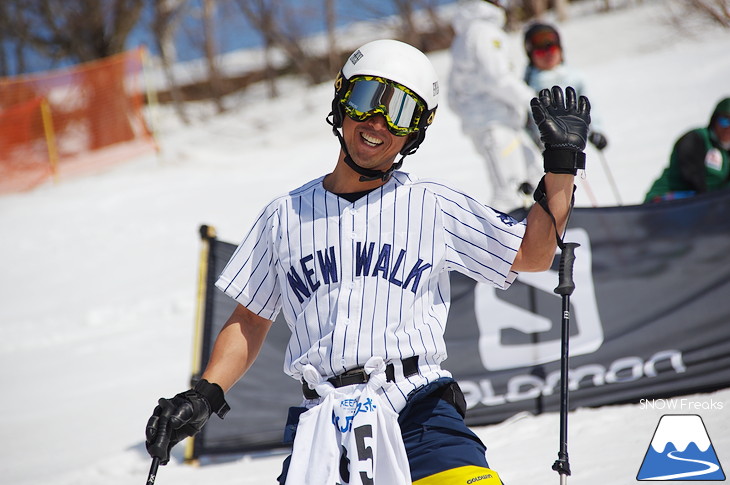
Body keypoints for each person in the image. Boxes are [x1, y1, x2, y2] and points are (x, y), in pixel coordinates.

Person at [145, 39, 591, 485]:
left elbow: (532, 255)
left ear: (414, 132)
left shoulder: (431, 204)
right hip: (322, 427)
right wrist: (205, 394)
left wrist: (561, 168)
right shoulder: (283, 216)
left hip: (419, 413)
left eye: (400, 111)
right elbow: (250, 321)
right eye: (365, 99)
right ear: (341, 101)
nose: (377, 121)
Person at [448, 0, 544, 212]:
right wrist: (536, 103)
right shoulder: (484, 32)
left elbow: (452, 96)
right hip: (496, 124)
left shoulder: (463, 37)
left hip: (495, 123)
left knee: (534, 177)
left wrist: (472, 114)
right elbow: (496, 78)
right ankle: (499, 241)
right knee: (510, 191)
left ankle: (540, 234)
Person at [523, 22, 609, 152]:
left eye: (552, 49)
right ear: (531, 56)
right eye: (540, 51)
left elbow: (589, 106)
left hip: (574, 150)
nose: (548, 55)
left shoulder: (574, 78)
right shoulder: (524, 86)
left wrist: (596, 130)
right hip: (541, 154)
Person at [645, 97, 730, 202]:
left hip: (705, 207)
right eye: (725, 120)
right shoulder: (696, 138)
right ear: (714, 119)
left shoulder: (726, 153)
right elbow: (692, 175)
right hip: (668, 203)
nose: (728, 128)